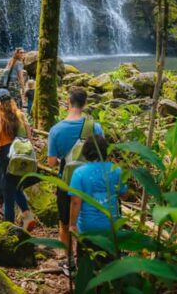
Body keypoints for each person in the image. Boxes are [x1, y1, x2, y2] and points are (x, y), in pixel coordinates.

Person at [47, 87, 104, 271]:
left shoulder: (56, 130)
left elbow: (51, 163)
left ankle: (69, 259)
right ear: (85, 103)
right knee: (86, 217)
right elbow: (102, 154)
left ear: (68, 102)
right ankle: (87, 258)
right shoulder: (95, 127)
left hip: (66, 181)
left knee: (65, 221)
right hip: (91, 180)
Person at [0, 88, 37, 231]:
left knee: (8, 192)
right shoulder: (21, 116)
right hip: (23, 155)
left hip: (7, 157)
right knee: (15, 188)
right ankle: (27, 215)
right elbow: (29, 139)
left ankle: (8, 227)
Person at [69, 134, 126, 276]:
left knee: (87, 265)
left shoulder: (79, 173)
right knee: (110, 265)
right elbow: (124, 194)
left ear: (85, 151)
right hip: (111, 225)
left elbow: (76, 201)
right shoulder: (116, 170)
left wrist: (72, 224)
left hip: (88, 227)